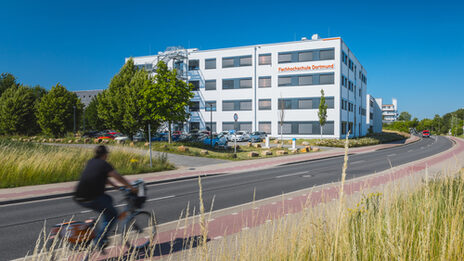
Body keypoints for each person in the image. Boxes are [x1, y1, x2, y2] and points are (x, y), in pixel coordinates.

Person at [74, 145, 137, 249]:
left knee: (108, 200)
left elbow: (103, 177)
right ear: (105, 155)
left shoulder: (91, 161)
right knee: (113, 215)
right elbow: (118, 176)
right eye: (107, 155)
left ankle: (97, 226)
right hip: (92, 197)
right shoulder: (104, 164)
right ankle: (100, 240)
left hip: (79, 196)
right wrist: (131, 187)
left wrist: (115, 186)